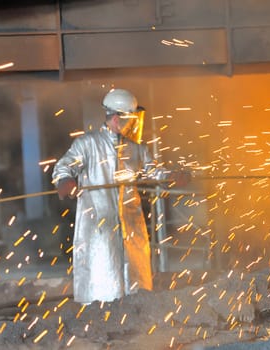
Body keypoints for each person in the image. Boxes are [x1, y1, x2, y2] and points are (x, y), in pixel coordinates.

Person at [52, 88, 185, 304]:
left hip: (130, 224)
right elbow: (64, 166)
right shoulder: (88, 144)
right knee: (102, 278)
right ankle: (101, 316)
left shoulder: (135, 149)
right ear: (116, 119)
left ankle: (136, 314)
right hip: (99, 225)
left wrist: (172, 175)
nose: (134, 124)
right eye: (131, 119)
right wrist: (64, 180)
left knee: (135, 285)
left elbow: (153, 171)